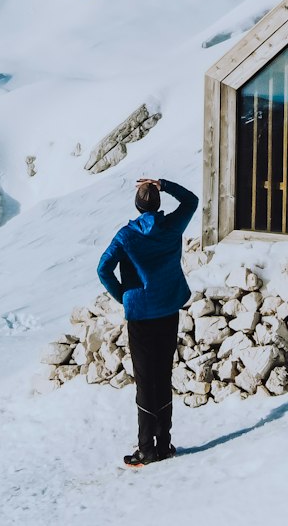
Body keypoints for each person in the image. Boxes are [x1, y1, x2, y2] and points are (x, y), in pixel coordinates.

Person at [97, 176, 199, 468]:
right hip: (167, 309)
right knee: (163, 375)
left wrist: (123, 295)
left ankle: (146, 449)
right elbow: (191, 200)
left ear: (136, 205)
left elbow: (103, 268)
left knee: (145, 380)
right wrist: (164, 184)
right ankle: (164, 444)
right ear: (158, 203)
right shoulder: (171, 226)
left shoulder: (126, 236)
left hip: (140, 313)